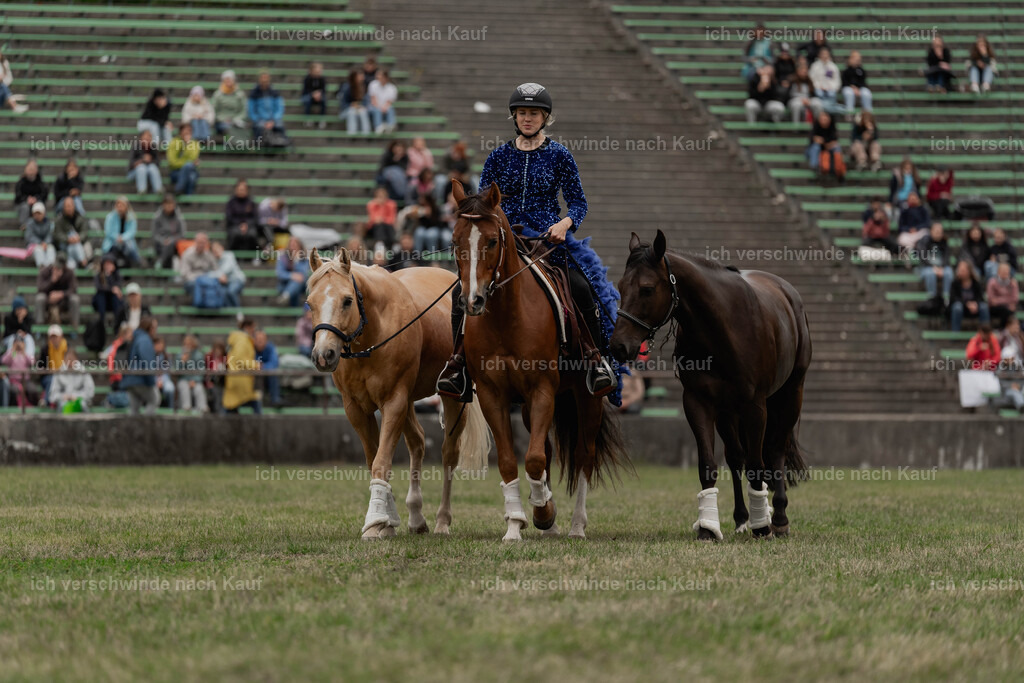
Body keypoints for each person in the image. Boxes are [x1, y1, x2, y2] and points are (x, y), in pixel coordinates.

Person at [436, 82, 618, 400]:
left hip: (548, 238)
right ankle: (458, 365)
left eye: (534, 113)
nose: (528, 119)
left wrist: (564, 224)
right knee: (459, 293)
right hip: (504, 239)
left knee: (582, 286)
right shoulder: (498, 156)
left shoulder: (560, 155)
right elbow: (482, 204)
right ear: (515, 117)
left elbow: (579, 203)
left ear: (545, 117)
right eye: (522, 113)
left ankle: (594, 360)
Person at [120, 315, 159, 415]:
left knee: (134, 409)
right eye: (154, 328)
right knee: (154, 399)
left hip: (129, 379)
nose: (156, 331)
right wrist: (151, 381)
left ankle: (131, 429)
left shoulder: (136, 338)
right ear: (149, 328)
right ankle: (146, 427)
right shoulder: (144, 340)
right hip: (139, 378)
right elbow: (147, 361)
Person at [223, 318, 262, 414]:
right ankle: (260, 424)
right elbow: (239, 358)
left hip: (236, 377)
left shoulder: (239, 339)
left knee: (232, 406)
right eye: (253, 327)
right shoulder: (242, 340)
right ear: (247, 327)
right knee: (254, 400)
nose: (254, 330)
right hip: (240, 378)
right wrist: (255, 365)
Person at [35, 255, 80, 329]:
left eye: (59, 268)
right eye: (55, 266)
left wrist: (61, 294)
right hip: (48, 299)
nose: (56, 269)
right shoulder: (45, 271)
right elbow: (40, 288)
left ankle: (74, 326)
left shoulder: (69, 273)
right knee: (40, 298)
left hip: (63, 301)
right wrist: (52, 281)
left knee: (75, 299)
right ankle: (40, 326)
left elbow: (73, 289)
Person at [916, 222, 953, 303]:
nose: (938, 234)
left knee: (949, 273)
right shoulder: (924, 241)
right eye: (936, 231)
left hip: (941, 267)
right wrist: (933, 267)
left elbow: (947, 257)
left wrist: (942, 268)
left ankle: (946, 297)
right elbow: (923, 257)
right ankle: (932, 297)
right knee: (930, 273)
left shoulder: (944, 242)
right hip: (926, 267)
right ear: (931, 231)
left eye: (940, 232)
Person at [950, 260, 990, 332]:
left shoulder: (976, 283)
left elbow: (980, 297)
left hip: (975, 308)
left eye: (963, 270)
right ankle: (955, 334)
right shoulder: (955, 283)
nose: (960, 272)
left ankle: (985, 333)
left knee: (984, 307)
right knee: (957, 307)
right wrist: (967, 304)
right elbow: (953, 299)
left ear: (969, 271)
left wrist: (976, 304)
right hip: (962, 308)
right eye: (960, 270)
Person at [248, 70, 286, 143]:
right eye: (262, 78)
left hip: (273, 120)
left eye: (266, 78)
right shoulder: (254, 93)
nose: (264, 80)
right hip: (260, 120)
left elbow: (279, 108)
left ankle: (281, 145)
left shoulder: (275, 92)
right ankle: (259, 145)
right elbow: (251, 111)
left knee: (280, 126)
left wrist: (273, 120)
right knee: (258, 127)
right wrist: (262, 121)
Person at [102, 196, 141, 266]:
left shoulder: (131, 217)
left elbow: (132, 232)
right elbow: (108, 232)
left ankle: (138, 262)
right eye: (118, 205)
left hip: (126, 244)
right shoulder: (110, 217)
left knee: (129, 247)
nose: (120, 208)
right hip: (112, 243)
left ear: (126, 206)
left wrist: (122, 238)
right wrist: (117, 238)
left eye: (122, 205)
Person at [178, 232, 219, 298]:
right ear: (195, 242)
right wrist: (200, 279)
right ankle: (199, 304)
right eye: (200, 242)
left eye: (204, 243)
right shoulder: (188, 254)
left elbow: (216, 269)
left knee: (218, 285)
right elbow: (185, 274)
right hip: (191, 281)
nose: (201, 245)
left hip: (206, 280)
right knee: (196, 286)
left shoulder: (208, 255)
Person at [151, 193, 186, 269]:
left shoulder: (179, 218)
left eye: (171, 204)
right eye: (167, 204)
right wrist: (163, 240)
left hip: (174, 245)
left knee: (170, 245)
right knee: (166, 246)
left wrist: (171, 240)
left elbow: (182, 234)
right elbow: (154, 234)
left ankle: (161, 261)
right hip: (160, 244)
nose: (169, 206)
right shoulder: (157, 217)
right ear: (163, 205)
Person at [175, 333, 208, 414]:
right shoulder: (180, 355)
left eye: (189, 344)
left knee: (199, 389)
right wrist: (182, 362)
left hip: (195, 380)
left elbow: (201, 371)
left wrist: (194, 380)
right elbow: (176, 371)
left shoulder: (199, 355)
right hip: (183, 379)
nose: (187, 346)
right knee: (184, 388)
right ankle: (186, 408)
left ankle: (202, 408)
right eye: (185, 344)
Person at [225, 179, 259, 253]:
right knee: (235, 234)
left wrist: (246, 224)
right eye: (240, 189)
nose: (241, 191)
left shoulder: (251, 202)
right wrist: (240, 224)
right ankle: (232, 255)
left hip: (249, 226)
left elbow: (255, 217)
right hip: (234, 226)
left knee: (252, 234)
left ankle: (253, 257)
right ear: (236, 190)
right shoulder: (231, 202)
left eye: (243, 189)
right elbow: (229, 217)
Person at [53, 196, 88, 269]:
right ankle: (82, 260)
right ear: (63, 207)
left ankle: (74, 264)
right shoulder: (59, 219)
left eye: (70, 205)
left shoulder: (80, 217)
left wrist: (78, 238)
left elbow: (84, 232)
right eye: (67, 206)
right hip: (64, 245)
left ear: (74, 206)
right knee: (72, 237)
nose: (69, 208)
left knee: (74, 243)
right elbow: (57, 234)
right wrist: (68, 239)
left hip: (77, 244)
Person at [212, 69, 248, 138]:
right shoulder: (217, 95)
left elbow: (244, 110)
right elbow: (214, 111)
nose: (228, 81)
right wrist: (223, 119)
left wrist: (236, 119)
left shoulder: (240, 94)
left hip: (237, 121)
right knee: (229, 128)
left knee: (241, 127)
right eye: (226, 79)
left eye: (230, 79)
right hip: (221, 123)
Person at [167, 122, 200, 196]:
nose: (187, 133)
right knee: (190, 173)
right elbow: (172, 162)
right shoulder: (174, 142)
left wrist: (187, 145)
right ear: (180, 132)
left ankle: (179, 189)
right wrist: (186, 164)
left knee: (191, 173)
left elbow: (193, 158)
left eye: (189, 131)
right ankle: (187, 196)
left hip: (191, 170)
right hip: (176, 172)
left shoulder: (194, 143)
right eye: (185, 131)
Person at [1, 336, 34, 408]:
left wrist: (24, 351)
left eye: (21, 342)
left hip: (25, 380)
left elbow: (32, 362)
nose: (19, 344)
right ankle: (14, 410)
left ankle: (32, 409)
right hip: (13, 381)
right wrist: (13, 349)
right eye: (17, 342)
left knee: (32, 390)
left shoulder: (26, 353)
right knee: (14, 391)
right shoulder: (12, 353)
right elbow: (3, 360)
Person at [786, 58, 823, 124]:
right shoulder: (791, 80)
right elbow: (788, 95)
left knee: (817, 102)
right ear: (797, 71)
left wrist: (808, 100)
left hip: (807, 100)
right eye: (802, 70)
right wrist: (800, 99)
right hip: (794, 100)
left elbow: (813, 94)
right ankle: (796, 126)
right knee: (797, 105)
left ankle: (817, 125)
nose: (804, 71)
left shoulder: (809, 81)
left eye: (806, 70)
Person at [211, 241, 247, 307]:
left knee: (231, 291)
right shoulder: (214, 261)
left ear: (221, 248)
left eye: (217, 249)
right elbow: (212, 273)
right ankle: (230, 311)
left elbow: (226, 269)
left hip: (237, 280)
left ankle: (238, 311)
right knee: (222, 292)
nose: (215, 251)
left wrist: (219, 275)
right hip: (226, 283)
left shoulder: (229, 255)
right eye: (214, 250)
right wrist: (219, 276)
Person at [92, 254, 124, 330]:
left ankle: (117, 323)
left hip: (112, 302)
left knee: (115, 297)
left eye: (110, 263)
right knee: (101, 296)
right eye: (106, 264)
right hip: (101, 303)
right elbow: (99, 287)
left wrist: (109, 277)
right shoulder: (99, 275)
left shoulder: (117, 275)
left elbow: (118, 286)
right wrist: (111, 289)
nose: (108, 266)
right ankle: (102, 322)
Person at [806, 111, 842, 178]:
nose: (824, 121)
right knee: (816, 147)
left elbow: (834, 141)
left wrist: (823, 142)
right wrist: (820, 141)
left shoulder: (832, 127)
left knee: (837, 147)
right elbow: (812, 140)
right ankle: (814, 166)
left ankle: (838, 168)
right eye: (822, 119)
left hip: (827, 148)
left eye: (825, 119)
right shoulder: (815, 126)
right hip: (813, 150)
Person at [275, 236, 309, 307]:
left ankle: (286, 296)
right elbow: (280, 273)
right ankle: (288, 298)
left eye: (295, 244)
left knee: (297, 281)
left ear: (300, 246)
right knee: (296, 282)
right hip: (284, 285)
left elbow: (303, 274)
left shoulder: (304, 258)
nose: (293, 247)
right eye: (291, 244)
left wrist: (297, 260)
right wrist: (291, 275)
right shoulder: (283, 257)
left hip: (301, 285)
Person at [37, 324, 68, 399]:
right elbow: (40, 368)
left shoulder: (68, 349)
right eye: (52, 337)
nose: (54, 339)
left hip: (66, 375)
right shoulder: (45, 349)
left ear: (61, 336)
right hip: (49, 376)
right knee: (52, 381)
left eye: (55, 336)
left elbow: (72, 365)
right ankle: (47, 402)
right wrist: (49, 371)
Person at [127, 129, 163, 194]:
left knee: (152, 167)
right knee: (141, 168)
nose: (147, 140)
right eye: (145, 138)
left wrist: (150, 160)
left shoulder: (153, 147)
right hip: (134, 173)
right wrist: (142, 160)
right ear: (141, 139)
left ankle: (158, 189)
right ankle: (142, 190)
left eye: (149, 138)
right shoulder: (136, 147)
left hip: (149, 171)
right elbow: (131, 164)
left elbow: (158, 163)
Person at [14, 159, 48, 226]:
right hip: (23, 204)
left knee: (39, 207)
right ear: (25, 170)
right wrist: (27, 199)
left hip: (36, 202)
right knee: (25, 207)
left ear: (37, 170)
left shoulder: (40, 182)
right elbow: (18, 196)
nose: (31, 171)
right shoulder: (20, 182)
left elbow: (44, 194)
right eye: (29, 168)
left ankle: (41, 226)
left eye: (33, 168)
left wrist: (36, 199)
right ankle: (24, 226)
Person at [23, 202, 56, 268]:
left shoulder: (49, 222)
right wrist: (40, 243)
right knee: (38, 250)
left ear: (44, 213)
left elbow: (50, 234)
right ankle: (43, 269)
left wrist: (45, 243)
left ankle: (50, 268)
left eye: (39, 213)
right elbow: (29, 236)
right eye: (36, 213)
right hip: (34, 246)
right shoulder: (30, 223)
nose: (37, 215)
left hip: (47, 244)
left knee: (51, 249)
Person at [338, 68, 371, 133]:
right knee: (352, 112)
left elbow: (366, 102)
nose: (362, 78)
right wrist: (351, 105)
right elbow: (342, 104)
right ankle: (352, 134)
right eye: (359, 76)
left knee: (363, 111)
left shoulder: (363, 87)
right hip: (346, 111)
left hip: (359, 110)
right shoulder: (347, 87)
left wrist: (360, 106)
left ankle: (366, 133)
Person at [986, 262, 1018, 329]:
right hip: (994, 309)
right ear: (998, 272)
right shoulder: (992, 282)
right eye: (1003, 271)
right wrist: (1007, 299)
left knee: (1009, 311)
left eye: (1006, 271)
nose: (1005, 273)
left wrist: (998, 300)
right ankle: (1001, 330)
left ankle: (1003, 330)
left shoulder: (1013, 283)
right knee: (1005, 310)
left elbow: (1014, 299)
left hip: (1008, 308)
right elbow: (991, 300)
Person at [808, 47, 841, 112]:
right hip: (818, 88)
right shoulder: (815, 66)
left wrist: (831, 87)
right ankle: (833, 109)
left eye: (826, 54)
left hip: (830, 89)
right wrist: (818, 86)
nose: (825, 56)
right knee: (819, 93)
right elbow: (811, 79)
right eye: (823, 54)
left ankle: (827, 109)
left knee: (832, 94)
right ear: (819, 55)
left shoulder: (833, 66)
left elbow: (837, 80)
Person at [253, 329, 281, 406]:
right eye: (258, 339)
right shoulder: (251, 348)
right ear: (254, 340)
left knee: (273, 373)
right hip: (254, 376)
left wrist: (261, 366)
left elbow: (275, 362)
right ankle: (256, 402)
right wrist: (256, 366)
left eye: (262, 340)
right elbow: (249, 363)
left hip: (268, 375)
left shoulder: (270, 347)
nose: (260, 342)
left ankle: (275, 399)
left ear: (266, 340)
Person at [367, 68, 398, 133]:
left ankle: (390, 127)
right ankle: (378, 127)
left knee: (390, 109)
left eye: (380, 75)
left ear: (385, 77)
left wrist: (384, 107)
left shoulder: (392, 88)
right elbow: (373, 100)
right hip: (374, 107)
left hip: (385, 107)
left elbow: (389, 102)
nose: (378, 77)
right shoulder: (373, 84)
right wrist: (379, 107)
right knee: (377, 109)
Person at [0, 50, 29, 114]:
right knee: (3, 86)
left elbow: (9, 79)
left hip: (2, 93)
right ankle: (14, 105)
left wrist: (2, 78)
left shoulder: (4, 63)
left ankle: (13, 102)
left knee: (3, 86)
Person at [205, 339, 228, 414]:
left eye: (219, 349)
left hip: (221, 383)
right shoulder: (210, 357)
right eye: (216, 349)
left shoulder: (225, 359)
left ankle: (219, 411)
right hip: (210, 382)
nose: (217, 351)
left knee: (219, 392)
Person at [152, 336, 175, 408]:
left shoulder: (167, 356)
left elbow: (167, 372)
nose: (159, 346)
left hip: (165, 379)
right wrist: (156, 380)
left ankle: (170, 408)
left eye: (161, 344)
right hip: (152, 379)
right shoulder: (149, 355)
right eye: (157, 344)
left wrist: (162, 381)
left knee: (170, 389)